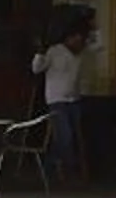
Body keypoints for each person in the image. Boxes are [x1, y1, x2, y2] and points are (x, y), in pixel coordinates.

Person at [30, 22, 89, 185]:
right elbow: (36, 68)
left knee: (70, 138)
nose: (79, 43)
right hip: (57, 100)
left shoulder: (80, 54)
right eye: (77, 39)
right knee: (65, 135)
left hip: (74, 99)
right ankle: (67, 169)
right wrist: (40, 52)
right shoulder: (54, 51)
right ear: (68, 38)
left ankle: (51, 165)